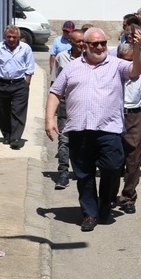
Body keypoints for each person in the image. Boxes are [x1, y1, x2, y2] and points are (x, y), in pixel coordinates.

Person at [44, 27, 141, 231]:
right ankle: (90, 214)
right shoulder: (72, 67)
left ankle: (106, 201)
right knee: (84, 175)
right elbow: (55, 92)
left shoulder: (117, 65)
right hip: (79, 130)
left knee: (112, 167)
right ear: (85, 46)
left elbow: (137, 70)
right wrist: (49, 119)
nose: (99, 47)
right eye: (95, 44)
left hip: (109, 130)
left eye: (103, 43)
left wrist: (137, 48)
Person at [114, 43, 141, 215]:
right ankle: (108, 195)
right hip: (114, 114)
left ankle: (128, 196)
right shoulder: (112, 71)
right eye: (125, 61)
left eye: (132, 61)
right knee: (112, 159)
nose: (129, 65)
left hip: (135, 115)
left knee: (133, 159)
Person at [50, 28, 85, 189]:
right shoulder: (61, 58)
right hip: (65, 104)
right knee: (64, 140)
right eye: (78, 41)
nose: (82, 44)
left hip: (84, 105)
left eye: (83, 41)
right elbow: (54, 85)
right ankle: (63, 173)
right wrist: (52, 108)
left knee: (83, 140)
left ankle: (81, 170)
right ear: (70, 42)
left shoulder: (91, 59)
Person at [0, 25, 35, 149]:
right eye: (8, 37)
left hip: (20, 84)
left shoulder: (25, 48)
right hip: (1, 84)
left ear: (18, 37)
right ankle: (7, 135)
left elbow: (30, 67)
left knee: (18, 111)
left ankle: (15, 138)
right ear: (5, 36)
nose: (11, 39)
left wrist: (26, 84)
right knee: (3, 111)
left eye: (14, 37)